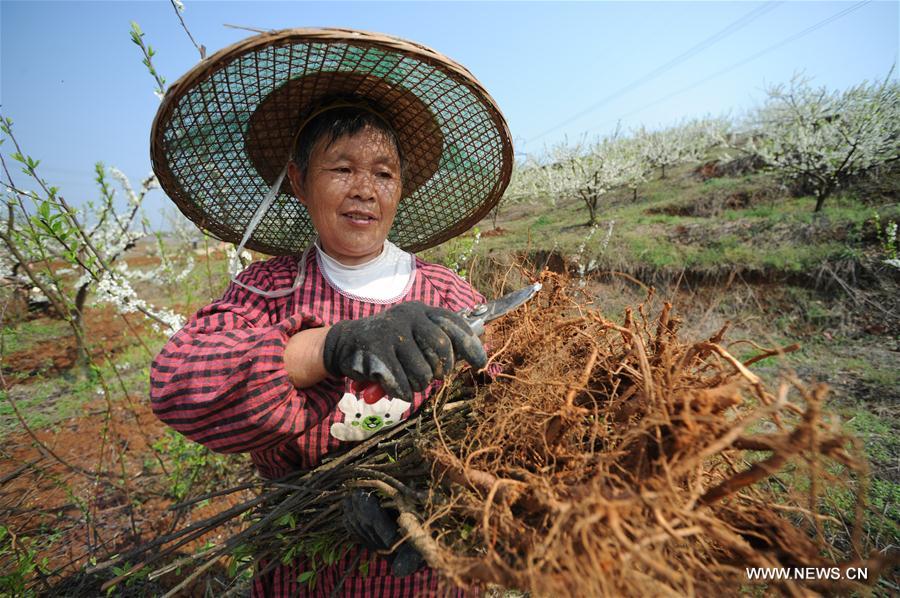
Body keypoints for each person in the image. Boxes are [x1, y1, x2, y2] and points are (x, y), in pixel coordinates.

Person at [148, 29, 512, 597]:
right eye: (341, 168)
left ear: (401, 188)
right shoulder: (267, 291)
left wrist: (434, 503)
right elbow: (178, 386)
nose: (364, 189)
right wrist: (330, 346)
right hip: (304, 566)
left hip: (423, 573)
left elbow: (508, 419)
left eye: (384, 173)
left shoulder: (449, 295)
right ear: (298, 180)